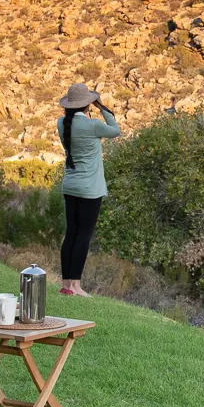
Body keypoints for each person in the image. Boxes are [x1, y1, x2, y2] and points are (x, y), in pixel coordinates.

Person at [55, 82, 120, 297]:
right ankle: (76, 286)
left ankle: (66, 284)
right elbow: (116, 130)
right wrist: (102, 107)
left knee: (71, 234)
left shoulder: (61, 123)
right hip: (90, 188)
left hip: (70, 185)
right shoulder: (93, 125)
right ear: (88, 104)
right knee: (84, 235)